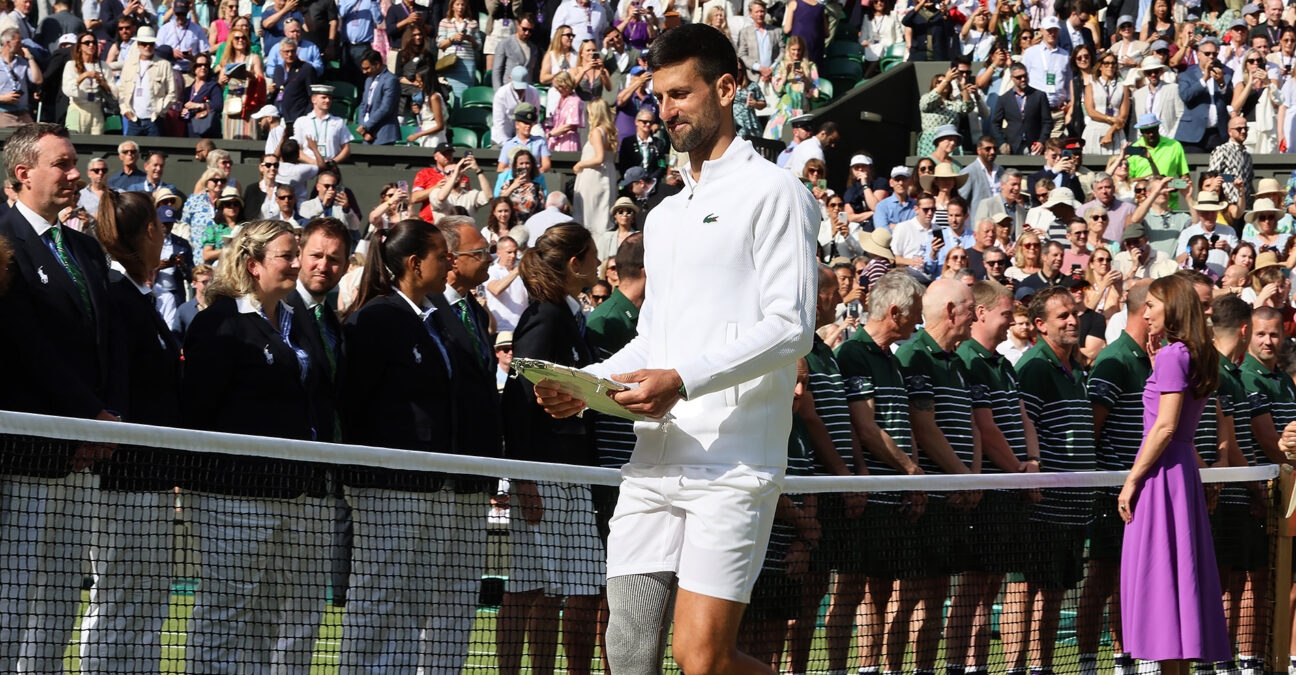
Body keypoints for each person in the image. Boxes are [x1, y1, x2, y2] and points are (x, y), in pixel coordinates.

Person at [532, 23, 817, 675]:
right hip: (653, 463)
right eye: (660, 97)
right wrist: (581, 385)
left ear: (728, 88)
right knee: (628, 650)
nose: (667, 111)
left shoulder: (777, 194)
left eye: (681, 93)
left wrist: (681, 380)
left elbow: (791, 327)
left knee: (702, 658)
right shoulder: (662, 216)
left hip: (734, 464)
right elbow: (652, 338)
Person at [180, 219, 329, 674]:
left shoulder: (295, 320)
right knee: (224, 614)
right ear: (253, 264)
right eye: (287, 255)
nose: (298, 262)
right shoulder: (217, 324)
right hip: (232, 495)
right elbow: (199, 409)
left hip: (292, 492)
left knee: (267, 617)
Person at [0, 122, 122, 673]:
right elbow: (25, 344)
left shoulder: (84, 249)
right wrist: (86, 417)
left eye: (76, 165)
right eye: (64, 165)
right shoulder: (2, 240)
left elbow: (104, 344)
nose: (77, 176)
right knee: (14, 590)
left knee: (62, 595)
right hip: (28, 453)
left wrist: (103, 424)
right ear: (23, 174)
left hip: (85, 450)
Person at [336, 217, 455, 672]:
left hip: (427, 482)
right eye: (440, 257)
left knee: (413, 596)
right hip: (386, 485)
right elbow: (356, 401)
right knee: (378, 593)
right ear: (413, 263)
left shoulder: (428, 318)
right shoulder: (377, 318)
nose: (448, 265)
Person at [77, 190, 181, 675]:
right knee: (118, 598)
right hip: (122, 481)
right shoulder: (117, 298)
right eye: (159, 229)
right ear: (148, 235)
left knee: (149, 600)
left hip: (153, 478)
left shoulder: (138, 297)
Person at [499, 223, 605, 675]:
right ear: (575, 263)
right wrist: (523, 478)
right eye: (593, 256)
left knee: (555, 588)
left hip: (573, 471)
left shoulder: (565, 313)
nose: (600, 265)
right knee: (527, 587)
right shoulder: (546, 315)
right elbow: (519, 396)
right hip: (544, 471)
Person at [1118, 274, 1231, 672]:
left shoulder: (1172, 356)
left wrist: (1131, 480)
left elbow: (1165, 427)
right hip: (1180, 474)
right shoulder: (1188, 354)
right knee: (1177, 586)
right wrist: (1157, 366)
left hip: (1162, 477)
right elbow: (1178, 427)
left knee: (1163, 587)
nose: (1144, 312)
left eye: (1151, 304)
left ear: (1172, 307)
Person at [1016, 286, 1096, 675]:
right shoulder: (1034, 367)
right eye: (1062, 316)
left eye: (1073, 314)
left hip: (1074, 508)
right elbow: (1022, 424)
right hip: (1043, 506)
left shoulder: (1076, 368)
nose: (1071, 320)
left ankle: (1042, 667)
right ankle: (1019, 668)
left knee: (1054, 594)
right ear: (1039, 325)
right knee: (1028, 592)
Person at [1075, 280, 1152, 674]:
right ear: (1145, 310)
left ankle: (1128, 661)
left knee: (1135, 582)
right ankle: (1089, 665)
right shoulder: (1115, 359)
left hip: (1142, 493)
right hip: (1112, 494)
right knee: (1104, 578)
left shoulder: (1149, 357)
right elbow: (1092, 427)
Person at [1175, 38, 1235, 153]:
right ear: (1199, 54)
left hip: (1217, 134)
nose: (1211, 56)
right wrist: (1204, 79)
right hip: (1192, 134)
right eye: (1207, 53)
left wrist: (1222, 83)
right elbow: (1186, 96)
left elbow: (1230, 100)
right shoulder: (1187, 75)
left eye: (1214, 54)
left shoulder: (1225, 74)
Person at [116, 26, 176, 136]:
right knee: (130, 150)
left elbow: (172, 92)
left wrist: (161, 111)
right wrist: (124, 110)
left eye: (151, 44)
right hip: (134, 119)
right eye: (144, 43)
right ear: (138, 44)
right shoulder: (129, 64)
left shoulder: (164, 64)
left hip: (154, 119)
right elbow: (122, 90)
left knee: (155, 152)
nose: (148, 47)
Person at [572, 97, 618, 236]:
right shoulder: (610, 132)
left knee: (591, 217)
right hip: (607, 176)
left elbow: (599, 158)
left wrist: (580, 164)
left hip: (594, 177)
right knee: (602, 214)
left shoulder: (597, 132)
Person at [61, 31, 109, 133]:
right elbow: (67, 90)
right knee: (76, 143)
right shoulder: (71, 65)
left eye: (94, 42)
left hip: (96, 109)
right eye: (87, 43)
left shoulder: (103, 66)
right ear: (80, 46)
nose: (91, 45)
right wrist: (83, 76)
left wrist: (102, 82)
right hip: (78, 108)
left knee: (97, 145)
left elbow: (113, 90)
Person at [293, 84, 351, 165]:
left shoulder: (338, 122)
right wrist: (314, 162)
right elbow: (296, 150)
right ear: (313, 99)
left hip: (330, 167)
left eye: (330, 98)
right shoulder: (301, 121)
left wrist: (333, 162)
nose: (327, 100)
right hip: (309, 166)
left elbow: (346, 148)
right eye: (324, 97)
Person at [356, 49, 400, 145]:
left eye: (367, 68)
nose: (364, 72)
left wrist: (366, 126)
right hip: (366, 134)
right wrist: (362, 127)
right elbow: (363, 104)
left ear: (377, 64)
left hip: (383, 134)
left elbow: (386, 108)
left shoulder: (391, 80)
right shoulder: (368, 80)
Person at [486, 234, 528, 331]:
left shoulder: (521, 271)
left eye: (515, 252)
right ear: (499, 253)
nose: (513, 256)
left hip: (522, 328)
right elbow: (496, 289)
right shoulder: (492, 271)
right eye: (509, 252)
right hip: (501, 329)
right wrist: (516, 271)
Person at [182, 52, 224, 138]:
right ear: (194, 68)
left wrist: (199, 105)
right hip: (190, 129)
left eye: (206, 65)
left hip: (207, 129)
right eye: (199, 65)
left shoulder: (213, 86)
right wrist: (183, 112)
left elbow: (218, 105)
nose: (203, 67)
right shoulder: (188, 90)